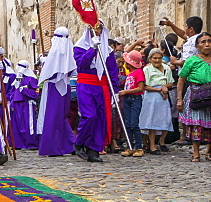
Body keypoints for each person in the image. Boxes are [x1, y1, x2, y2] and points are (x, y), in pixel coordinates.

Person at [176, 33, 211, 162]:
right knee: (196, 123)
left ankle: (209, 151)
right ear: (197, 46)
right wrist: (179, 99)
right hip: (196, 93)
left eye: (209, 41)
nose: (207, 44)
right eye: (203, 42)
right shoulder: (191, 61)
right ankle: (196, 152)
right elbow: (181, 80)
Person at [73, 22, 118, 163]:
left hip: (102, 86)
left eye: (99, 28)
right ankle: (80, 142)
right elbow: (82, 64)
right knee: (89, 115)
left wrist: (115, 91)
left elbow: (112, 72)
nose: (97, 31)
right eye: (94, 28)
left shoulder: (108, 51)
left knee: (100, 118)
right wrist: (92, 49)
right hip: (86, 84)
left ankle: (94, 150)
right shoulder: (79, 47)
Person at [37, 26, 77, 157]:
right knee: (61, 117)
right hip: (65, 88)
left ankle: (52, 148)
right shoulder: (68, 53)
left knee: (52, 118)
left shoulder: (56, 53)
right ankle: (69, 144)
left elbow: (51, 74)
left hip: (54, 88)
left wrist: (45, 65)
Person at [139, 48, 174, 154]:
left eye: (159, 58)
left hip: (163, 97)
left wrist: (165, 86)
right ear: (150, 59)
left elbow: (171, 82)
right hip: (151, 96)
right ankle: (152, 145)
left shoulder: (166, 68)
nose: (157, 60)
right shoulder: (147, 70)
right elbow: (145, 86)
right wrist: (159, 89)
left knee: (165, 118)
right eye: (155, 58)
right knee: (151, 120)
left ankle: (162, 141)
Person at [117, 50, 145, 157]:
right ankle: (130, 146)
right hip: (127, 99)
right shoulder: (130, 74)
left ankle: (139, 147)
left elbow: (140, 87)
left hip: (135, 99)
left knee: (134, 124)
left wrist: (126, 91)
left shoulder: (139, 72)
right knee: (127, 124)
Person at [8, 60, 39, 150]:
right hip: (17, 103)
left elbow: (35, 93)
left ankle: (31, 143)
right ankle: (18, 143)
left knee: (28, 124)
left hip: (27, 103)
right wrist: (12, 102)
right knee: (17, 125)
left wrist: (24, 90)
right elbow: (14, 90)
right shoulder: (18, 78)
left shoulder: (31, 78)